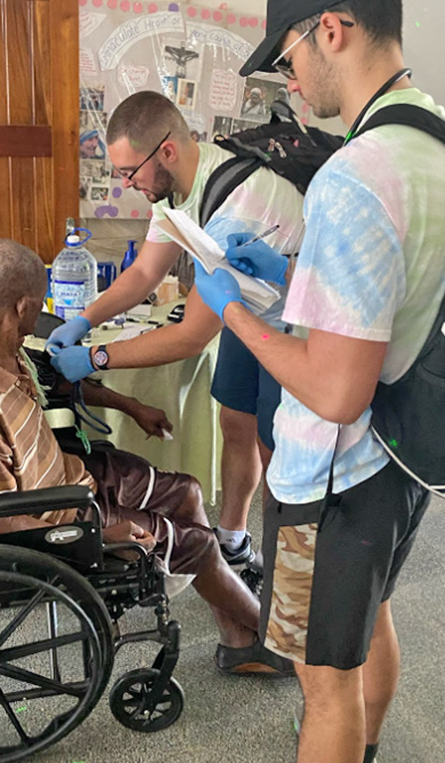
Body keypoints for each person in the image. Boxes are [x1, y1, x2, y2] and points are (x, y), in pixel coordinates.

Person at [193, 0, 445, 763]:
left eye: (289, 55)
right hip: (401, 463)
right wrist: (297, 270)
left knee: (320, 681)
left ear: (330, 28)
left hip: (333, 477)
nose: (290, 81)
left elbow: (335, 392)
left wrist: (231, 309)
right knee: (367, 628)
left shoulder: (354, 173)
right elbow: (397, 283)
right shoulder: (432, 137)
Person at [0, 238, 294, 676]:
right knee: (199, 543)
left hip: (66, 476)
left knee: (188, 490)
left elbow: (56, 381)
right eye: (36, 310)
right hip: (54, 517)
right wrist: (107, 534)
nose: (34, 323)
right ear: (21, 307)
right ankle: (270, 638)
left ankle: (236, 641)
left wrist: (131, 406)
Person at [47, 90, 304, 570]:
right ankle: (231, 537)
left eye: (130, 172)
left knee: (277, 452)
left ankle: (282, 567)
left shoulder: (237, 208)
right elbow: (145, 273)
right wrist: (85, 319)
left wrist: (96, 358)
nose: (127, 184)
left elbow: (189, 336)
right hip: (246, 311)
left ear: (165, 151)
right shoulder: (176, 191)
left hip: (292, 326)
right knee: (235, 422)